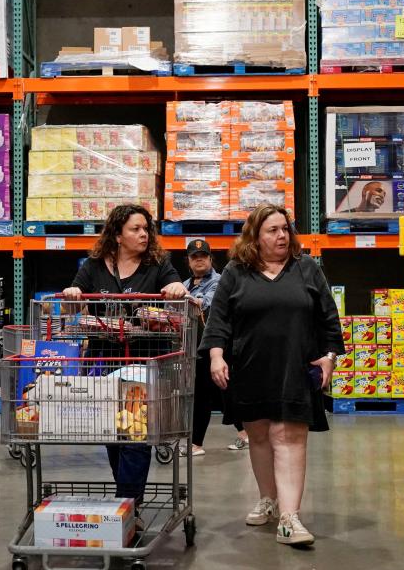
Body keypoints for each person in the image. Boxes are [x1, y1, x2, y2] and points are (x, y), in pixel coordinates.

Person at [201, 204, 344, 547]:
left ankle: (289, 517)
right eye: (273, 230)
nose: (282, 236)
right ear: (255, 237)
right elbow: (219, 319)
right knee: (261, 436)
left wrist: (329, 357)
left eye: (285, 229)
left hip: (296, 368)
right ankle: (268, 499)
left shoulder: (307, 269)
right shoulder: (236, 272)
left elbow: (329, 319)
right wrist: (217, 356)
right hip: (249, 369)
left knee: (290, 436)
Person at [62, 204, 186, 507]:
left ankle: (128, 503)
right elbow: (71, 307)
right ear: (118, 235)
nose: (143, 234)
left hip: (145, 363)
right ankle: (127, 501)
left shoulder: (158, 264)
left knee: (135, 433)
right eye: (135, 229)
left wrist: (175, 287)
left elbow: (177, 286)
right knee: (113, 433)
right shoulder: (93, 267)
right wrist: (72, 297)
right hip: (105, 362)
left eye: (146, 229)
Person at [182, 239, 248, 456]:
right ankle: (244, 432)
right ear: (189, 261)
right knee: (218, 391)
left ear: (211, 259)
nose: (199, 260)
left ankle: (197, 443)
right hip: (196, 347)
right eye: (194, 257)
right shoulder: (185, 284)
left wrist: (184, 300)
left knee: (212, 392)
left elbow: (206, 302)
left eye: (203, 256)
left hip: (219, 347)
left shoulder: (220, 281)